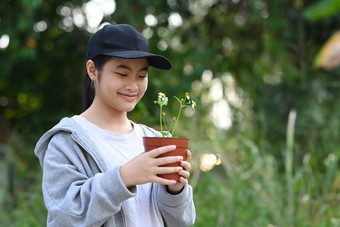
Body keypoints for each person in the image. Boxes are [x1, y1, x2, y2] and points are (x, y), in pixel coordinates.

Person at [34, 24, 196, 227]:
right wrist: (125, 176)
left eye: (141, 76)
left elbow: (184, 222)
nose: (133, 85)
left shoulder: (153, 138)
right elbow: (68, 215)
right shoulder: (66, 142)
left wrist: (175, 190)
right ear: (93, 70)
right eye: (122, 74)